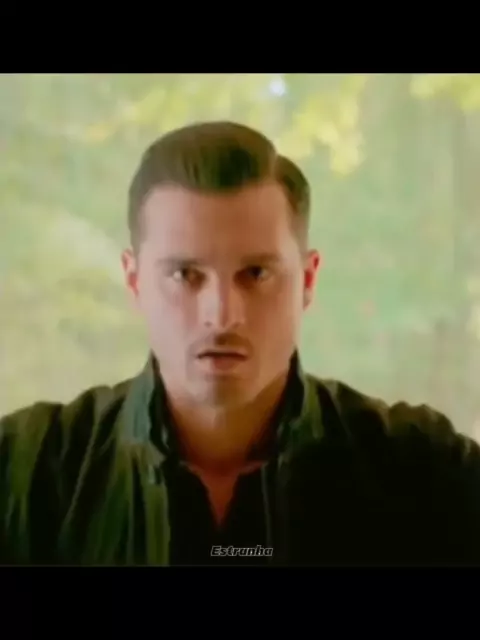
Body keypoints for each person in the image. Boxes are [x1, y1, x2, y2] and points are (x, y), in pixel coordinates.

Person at [1, 121, 480, 566]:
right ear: (134, 281)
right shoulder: (26, 474)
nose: (222, 314)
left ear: (308, 280)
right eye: (184, 274)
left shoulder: (424, 473)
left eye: (256, 273)